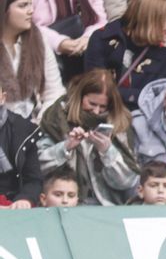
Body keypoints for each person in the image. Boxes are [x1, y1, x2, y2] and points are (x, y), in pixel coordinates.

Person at [38, 68, 139, 204]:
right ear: (80, 97)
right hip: (66, 203)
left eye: (103, 106)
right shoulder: (57, 118)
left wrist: (107, 151)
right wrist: (66, 147)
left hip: (106, 206)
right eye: (92, 104)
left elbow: (127, 182)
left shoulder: (119, 122)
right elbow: (39, 167)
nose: (96, 111)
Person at [85, 0, 166, 110]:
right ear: (150, 20)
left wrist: (117, 93)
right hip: (100, 111)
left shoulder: (163, 53)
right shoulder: (103, 39)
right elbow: (94, 87)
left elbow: (155, 98)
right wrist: (134, 95)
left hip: (138, 119)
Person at [0, 0, 65, 124]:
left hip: (35, 123)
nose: (31, 10)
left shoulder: (37, 37)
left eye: (31, 4)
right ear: (3, 8)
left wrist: (41, 122)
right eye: (23, 6)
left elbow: (54, 92)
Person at [0, 86, 44, 209]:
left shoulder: (23, 130)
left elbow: (33, 179)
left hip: (13, 204)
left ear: (2, 98)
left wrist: (25, 198)